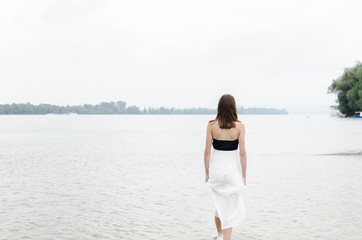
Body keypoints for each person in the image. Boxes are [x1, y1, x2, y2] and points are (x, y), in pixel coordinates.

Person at [204, 94, 247, 240]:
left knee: (219, 204)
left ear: (219, 108)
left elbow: (207, 151)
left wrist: (207, 172)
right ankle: (225, 238)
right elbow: (242, 153)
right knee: (230, 208)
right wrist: (244, 175)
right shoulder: (239, 126)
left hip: (216, 172)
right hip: (231, 173)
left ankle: (220, 234)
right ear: (233, 108)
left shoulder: (211, 125)